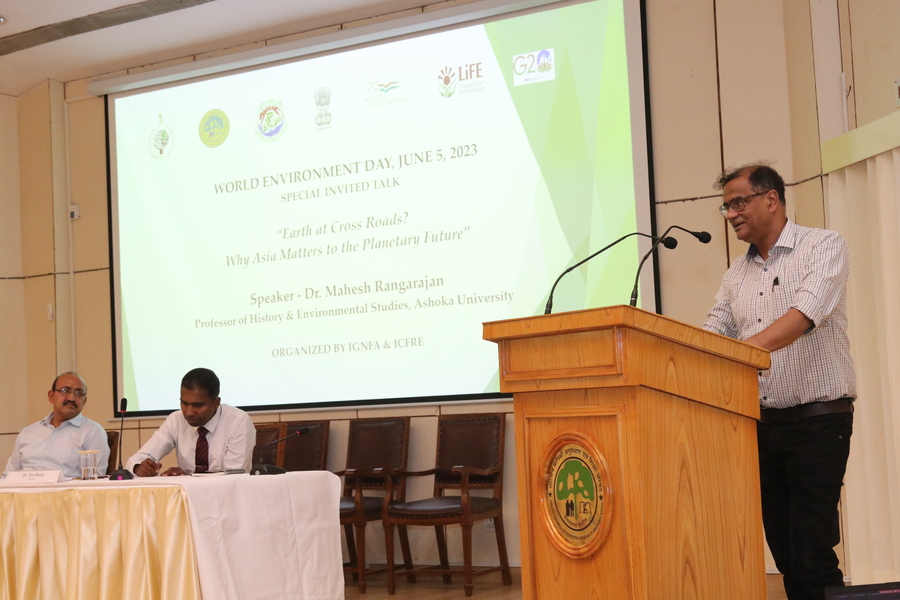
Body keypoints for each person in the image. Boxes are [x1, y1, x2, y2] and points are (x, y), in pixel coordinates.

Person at [703, 163, 856, 600]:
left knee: (812, 553)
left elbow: (804, 315)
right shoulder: (736, 274)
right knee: (786, 553)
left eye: (738, 202)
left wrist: (743, 351)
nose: (731, 214)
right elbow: (712, 334)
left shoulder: (822, 246)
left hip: (818, 423)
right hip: (762, 427)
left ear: (771, 199)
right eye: (726, 207)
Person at [126, 368, 255, 476]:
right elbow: (137, 459)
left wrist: (189, 477)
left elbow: (234, 475)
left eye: (198, 405)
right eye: (184, 403)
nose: (189, 412)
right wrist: (139, 468)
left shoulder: (238, 421)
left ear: (216, 403)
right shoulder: (176, 420)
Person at [3, 372, 110, 479]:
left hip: (66, 489)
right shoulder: (28, 432)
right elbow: (8, 476)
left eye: (78, 393)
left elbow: (94, 480)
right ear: (51, 396)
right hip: (23, 488)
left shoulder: (93, 432)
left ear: (84, 401)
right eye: (65, 391)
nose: (71, 398)